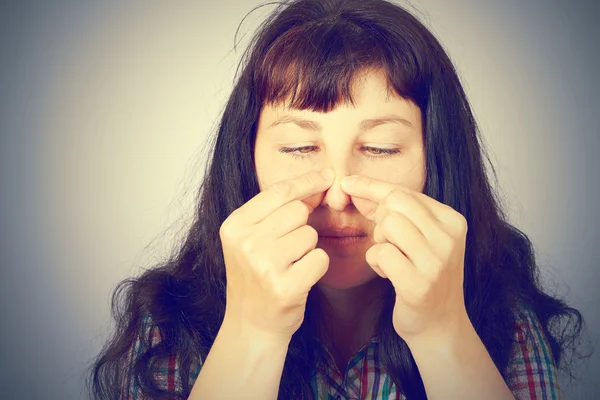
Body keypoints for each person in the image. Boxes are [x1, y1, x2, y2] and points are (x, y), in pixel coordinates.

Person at [88, 0, 587, 399]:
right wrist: (252, 333)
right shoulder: (169, 322)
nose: (340, 192)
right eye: (300, 147)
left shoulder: (505, 314)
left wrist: (443, 332)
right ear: (248, 157)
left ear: (437, 158)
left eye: (380, 148)